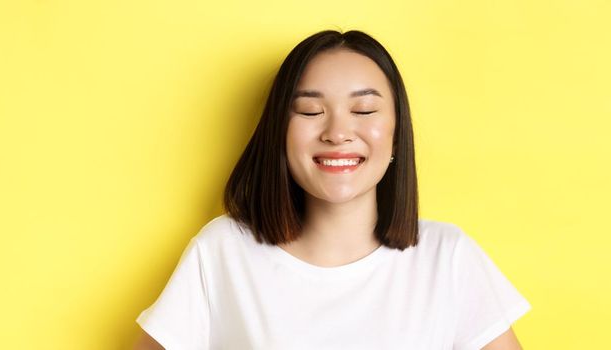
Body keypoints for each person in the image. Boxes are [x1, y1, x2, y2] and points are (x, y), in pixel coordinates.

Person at [133, 29, 531, 350]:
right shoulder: (223, 251)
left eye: (364, 111)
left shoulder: (448, 256)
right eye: (310, 111)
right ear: (280, 133)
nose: (338, 133)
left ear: (396, 134)